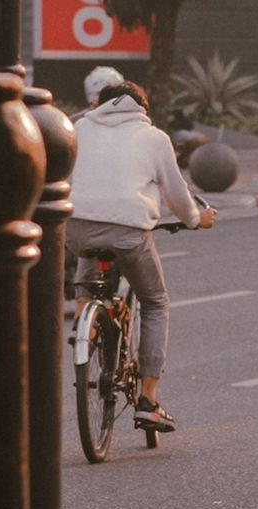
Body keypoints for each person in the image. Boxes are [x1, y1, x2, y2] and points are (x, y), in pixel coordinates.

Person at [67, 82, 219, 432]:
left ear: (99, 105)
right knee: (154, 302)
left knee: (88, 252)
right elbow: (177, 194)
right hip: (127, 232)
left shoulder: (78, 129)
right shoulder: (154, 138)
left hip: (75, 228)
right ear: (143, 109)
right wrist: (196, 220)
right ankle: (149, 401)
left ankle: (84, 326)